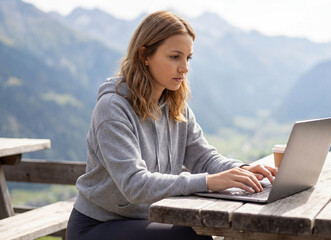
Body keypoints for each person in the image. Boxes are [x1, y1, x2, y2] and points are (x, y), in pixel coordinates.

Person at [66, 10, 277, 240]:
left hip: (149, 220)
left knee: (198, 231)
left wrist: (242, 170)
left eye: (188, 58)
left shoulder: (175, 105)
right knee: (189, 236)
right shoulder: (112, 108)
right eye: (175, 57)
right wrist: (208, 182)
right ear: (145, 55)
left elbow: (204, 158)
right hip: (96, 226)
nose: (184, 68)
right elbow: (134, 184)